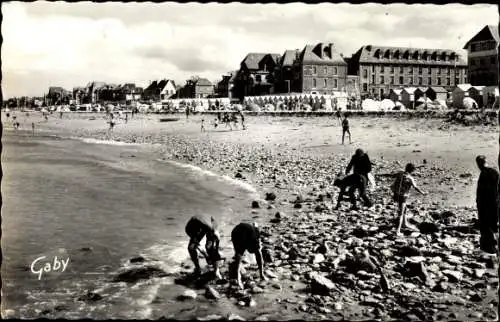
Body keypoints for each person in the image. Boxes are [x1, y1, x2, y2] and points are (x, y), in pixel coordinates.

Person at [391, 163, 427, 236]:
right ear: (412, 170)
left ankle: (404, 223)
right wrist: (423, 193)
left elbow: (393, 176)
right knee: (401, 213)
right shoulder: (410, 178)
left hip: (396, 194)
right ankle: (398, 231)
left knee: (405, 209)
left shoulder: (400, 173)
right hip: (403, 196)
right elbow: (415, 187)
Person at [231, 222, 267, 289]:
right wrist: (239, 280)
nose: (251, 253)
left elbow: (259, 257)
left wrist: (262, 274)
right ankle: (237, 274)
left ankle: (261, 274)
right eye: (251, 251)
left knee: (258, 252)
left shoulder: (256, 240)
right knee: (238, 257)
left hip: (250, 231)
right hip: (236, 232)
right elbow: (238, 263)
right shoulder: (242, 244)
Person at [475, 155, 499, 254]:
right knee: (490, 225)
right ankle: (489, 248)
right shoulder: (493, 172)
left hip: (488, 204)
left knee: (488, 225)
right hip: (490, 203)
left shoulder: (490, 173)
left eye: (481, 163)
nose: (480, 165)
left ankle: (490, 248)